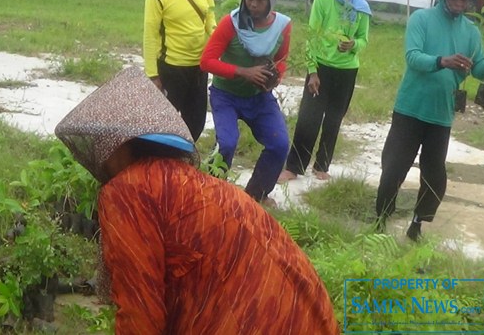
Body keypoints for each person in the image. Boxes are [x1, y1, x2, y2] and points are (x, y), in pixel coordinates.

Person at [55, 67, 339, 335]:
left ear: (122, 144)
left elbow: (139, 311)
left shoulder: (129, 192)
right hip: (306, 317)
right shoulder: (190, 184)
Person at [375, 0, 484, 241]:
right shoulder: (421, 20)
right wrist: (442, 61)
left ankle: (417, 223)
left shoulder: (470, 32)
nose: (460, 3)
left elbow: (479, 67)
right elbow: (413, 57)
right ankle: (380, 220)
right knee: (394, 166)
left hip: (442, 114)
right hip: (411, 108)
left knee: (434, 173)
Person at [200, 0, 291, 203]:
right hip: (226, 95)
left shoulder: (282, 26)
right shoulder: (230, 23)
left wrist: (274, 78)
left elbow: (282, 59)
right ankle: (211, 193)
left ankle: (255, 196)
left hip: (258, 97)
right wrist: (243, 72)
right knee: (227, 143)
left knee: (280, 145)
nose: (253, 3)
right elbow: (206, 61)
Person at [279, 0, 371, 182]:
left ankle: (322, 165)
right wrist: (312, 71)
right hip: (321, 68)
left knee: (334, 119)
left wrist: (353, 45)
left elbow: (364, 39)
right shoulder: (323, 0)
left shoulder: (362, 7)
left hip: (347, 70)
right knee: (309, 117)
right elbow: (312, 36)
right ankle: (294, 166)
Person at [143, 0, 216, 141]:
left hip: (199, 67)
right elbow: (150, 36)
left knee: (196, 123)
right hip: (171, 68)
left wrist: (220, 43)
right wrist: (153, 76)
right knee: (162, 124)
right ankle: (160, 161)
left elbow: (209, 19)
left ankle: (183, 162)